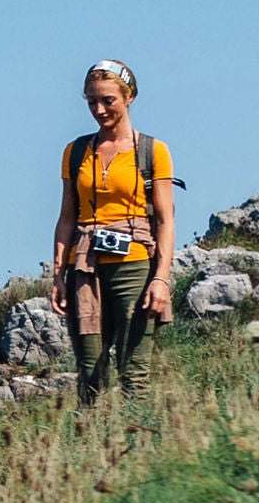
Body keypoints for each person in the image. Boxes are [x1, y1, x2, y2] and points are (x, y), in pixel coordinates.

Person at [48, 60, 176, 404]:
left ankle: (141, 449)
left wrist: (161, 279)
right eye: (91, 101)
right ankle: (93, 450)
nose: (99, 109)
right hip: (85, 268)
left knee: (134, 369)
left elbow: (165, 220)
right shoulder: (75, 152)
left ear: (129, 97)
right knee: (90, 369)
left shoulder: (153, 151)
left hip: (135, 263)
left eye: (108, 100)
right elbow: (66, 218)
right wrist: (59, 274)